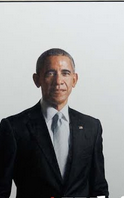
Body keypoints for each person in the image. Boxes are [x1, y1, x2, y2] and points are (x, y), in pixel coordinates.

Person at [0, 48, 109, 198]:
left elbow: (99, 188)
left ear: (74, 79)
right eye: (50, 73)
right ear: (36, 79)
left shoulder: (92, 127)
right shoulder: (14, 128)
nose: (58, 81)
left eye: (65, 73)